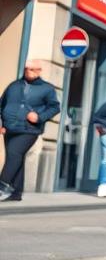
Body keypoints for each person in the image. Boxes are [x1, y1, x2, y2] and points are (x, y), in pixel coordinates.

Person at [0, 61, 61, 202]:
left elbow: (54, 108)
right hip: (9, 128)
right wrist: (1, 124)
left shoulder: (47, 88)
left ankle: (2, 184)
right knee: (16, 157)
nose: (29, 72)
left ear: (39, 71)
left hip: (29, 130)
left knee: (15, 153)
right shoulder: (13, 86)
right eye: (27, 69)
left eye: (32, 69)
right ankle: (16, 193)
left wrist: (39, 117)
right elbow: (1, 105)